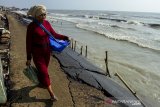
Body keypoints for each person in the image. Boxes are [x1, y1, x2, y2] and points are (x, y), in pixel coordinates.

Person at [26, 5, 69, 101]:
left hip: (47, 52)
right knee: (45, 73)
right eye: (41, 15)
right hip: (37, 54)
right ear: (35, 15)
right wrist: (29, 58)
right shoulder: (31, 27)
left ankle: (42, 82)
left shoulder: (47, 23)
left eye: (44, 14)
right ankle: (52, 94)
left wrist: (64, 37)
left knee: (43, 71)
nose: (43, 17)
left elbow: (54, 34)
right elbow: (28, 43)